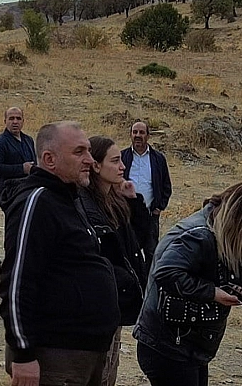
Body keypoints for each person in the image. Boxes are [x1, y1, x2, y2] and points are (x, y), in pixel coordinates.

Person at [0, 122, 120, 386]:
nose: (89, 160)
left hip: (83, 352)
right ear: (49, 159)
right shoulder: (38, 201)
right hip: (54, 355)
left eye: (88, 150)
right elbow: (18, 280)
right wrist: (23, 353)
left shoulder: (68, 198)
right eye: (79, 152)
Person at [133, 182, 242, 386]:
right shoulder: (200, 234)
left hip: (188, 345)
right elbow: (165, 273)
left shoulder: (221, 234)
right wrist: (211, 293)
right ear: (240, 219)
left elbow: (237, 288)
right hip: (168, 347)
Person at [78, 136, 152, 386]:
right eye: (115, 160)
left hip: (116, 302)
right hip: (100, 304)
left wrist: (134, 201)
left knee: (109, 370)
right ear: (96, 166)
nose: (122, 167)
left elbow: (137, 241)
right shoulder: (86, 206)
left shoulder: (115, 200)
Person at [121, 121, 172, 269]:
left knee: (151, 253)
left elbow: (166, 186)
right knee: (128, 251)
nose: (138, 136)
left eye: (141, 132)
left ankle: (149, 287)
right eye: (134, 132)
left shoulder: (158, 159)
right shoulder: (122, 156)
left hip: (150, 214)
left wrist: (159, 208)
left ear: (148, 136)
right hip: (127, 215)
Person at [0, 107, 37, 210]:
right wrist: (22, 168)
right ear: (5, 121)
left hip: (28, 192)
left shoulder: (28, 140)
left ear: (23, 121)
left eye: (18, 118)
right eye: (11, 118)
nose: (15, 122)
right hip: (10, 194)